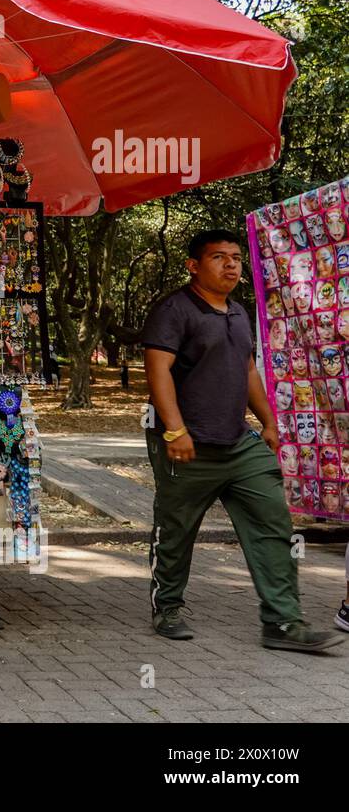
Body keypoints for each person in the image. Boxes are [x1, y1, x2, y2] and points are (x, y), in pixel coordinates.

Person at [142, 229, 343, 652]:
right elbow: (158, 370)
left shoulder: (237, 311)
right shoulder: (175, 310)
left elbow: (249, 370)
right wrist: (174, 430)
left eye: (235, 257)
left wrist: (269, 422)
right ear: (193, 266)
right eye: (219, 257)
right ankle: (168, 607)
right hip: (187, 443)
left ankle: (283, 623)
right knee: (176, 531)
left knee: (274, 523)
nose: (231, 265)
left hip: (238, 443)